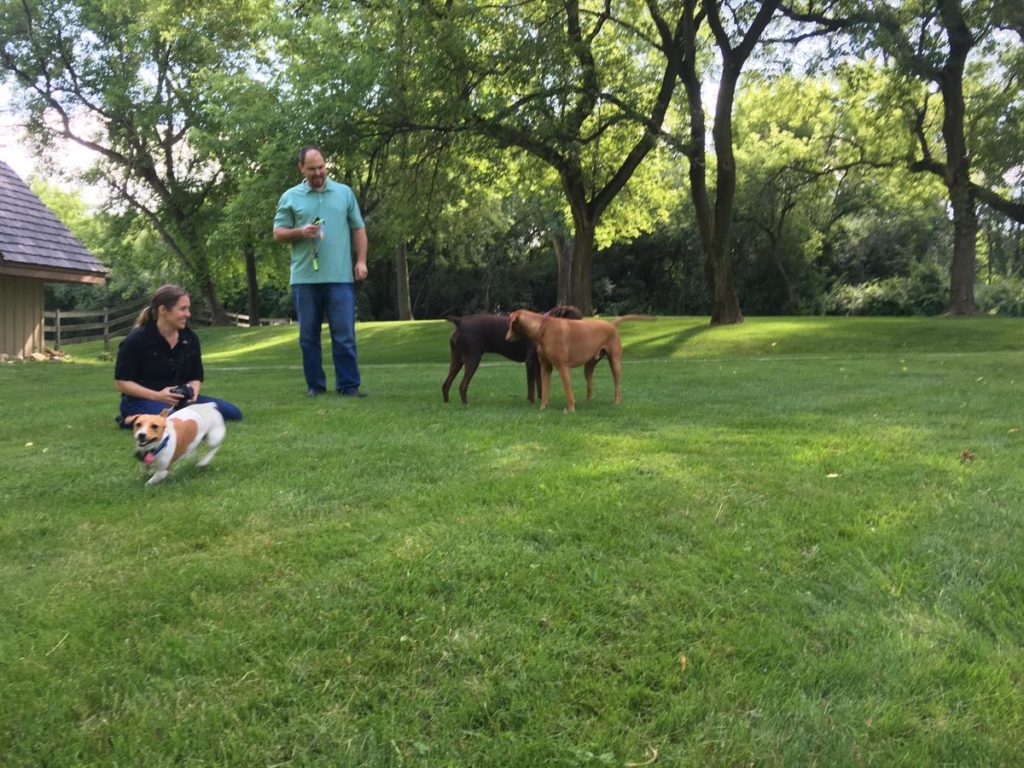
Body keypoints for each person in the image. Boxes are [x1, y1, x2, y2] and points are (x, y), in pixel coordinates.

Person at [273, 145, 369, 397]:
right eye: (312, 169)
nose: (318, 173)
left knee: (345, 335)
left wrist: (361, 261)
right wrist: (300, 232)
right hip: (304, 279)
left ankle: (349, 385)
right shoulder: (290, 197)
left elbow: (358, 228)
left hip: (340, 278)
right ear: (301, 168)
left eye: (322, 167)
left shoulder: (344, 193)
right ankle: (315, 386)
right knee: (308, 338)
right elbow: (278, 233)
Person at [114, 284, 242, 426]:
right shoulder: (136, 340)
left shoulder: (190, 338)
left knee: (233, 413)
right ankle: (129, 419)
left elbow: (195, 377)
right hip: (142, 400)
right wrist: (158, 396)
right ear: (163, 310)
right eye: (182, 309)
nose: (188, 314)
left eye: (188, 308)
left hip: (180, 400)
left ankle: (152, 418)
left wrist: (191, 400)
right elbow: (122, 383)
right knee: (178, 420)